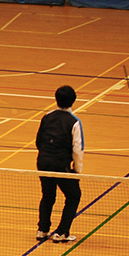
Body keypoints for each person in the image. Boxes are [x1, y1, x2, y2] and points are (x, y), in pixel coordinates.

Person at [35, 86, 83, 244]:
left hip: (43, 162)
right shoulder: (75, 122)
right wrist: (77, 171)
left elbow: (38, 141)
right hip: (60, 165)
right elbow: (77, 149)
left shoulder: (46, 117)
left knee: (48, 195)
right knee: (74, 195)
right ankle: (62, 232)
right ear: (73, 100)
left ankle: (42, 230)